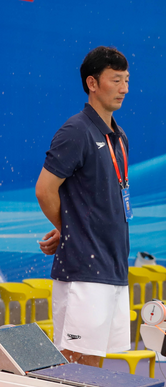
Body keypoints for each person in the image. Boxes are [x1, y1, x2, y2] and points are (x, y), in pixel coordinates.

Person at [35, 46, 131, 366]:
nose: (124, 88)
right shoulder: (76, 131)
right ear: (92, 83)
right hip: (84, 269)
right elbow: (45, 190)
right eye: (115, 80)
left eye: (126, 80)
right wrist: (69, 229)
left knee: (95, 363)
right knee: (74, 364)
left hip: (113, 265)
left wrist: (71, 227)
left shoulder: (119, 138)